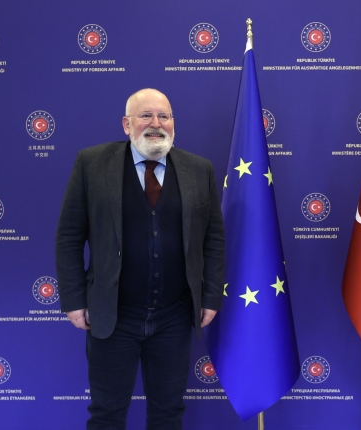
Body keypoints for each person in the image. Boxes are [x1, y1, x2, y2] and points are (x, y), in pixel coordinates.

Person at [55, 88, 225, 429]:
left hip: (175, 316)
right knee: (106, 414)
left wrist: (210, 297)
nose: (156, 123)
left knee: (168, 413)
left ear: (173, 123)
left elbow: (213, 239)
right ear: (126, 124)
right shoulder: (91, 164)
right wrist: (74, 300)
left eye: (164, 116)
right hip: (113, 314)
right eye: (145, 115)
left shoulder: (199, 169)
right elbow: (69, 236)